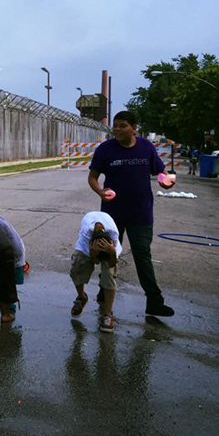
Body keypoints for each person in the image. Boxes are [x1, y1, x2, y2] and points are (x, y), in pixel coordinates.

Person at [88, 110, 175, 317]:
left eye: (123, 125)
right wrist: (100, 191)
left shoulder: (146, 147)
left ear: (134, 129)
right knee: (109, 253)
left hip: (141, 214)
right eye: (115, 125)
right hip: (112, 213)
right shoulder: (105, 149)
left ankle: (154, 301)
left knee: (142, 255)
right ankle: (103, 292)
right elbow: (93, 177)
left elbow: (160, 172)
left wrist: (167, 180)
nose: (117, 129)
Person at [70, 212, 122, 333]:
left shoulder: (113, 237)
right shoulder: (86, 237)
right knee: (77, 267)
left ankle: (107, 314)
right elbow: (94, 262)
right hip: (89, 241)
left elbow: (112, 263)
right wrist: (93, 254)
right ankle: (81, 297)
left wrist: (112, 252)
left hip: (109, 244)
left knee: (109, 274)